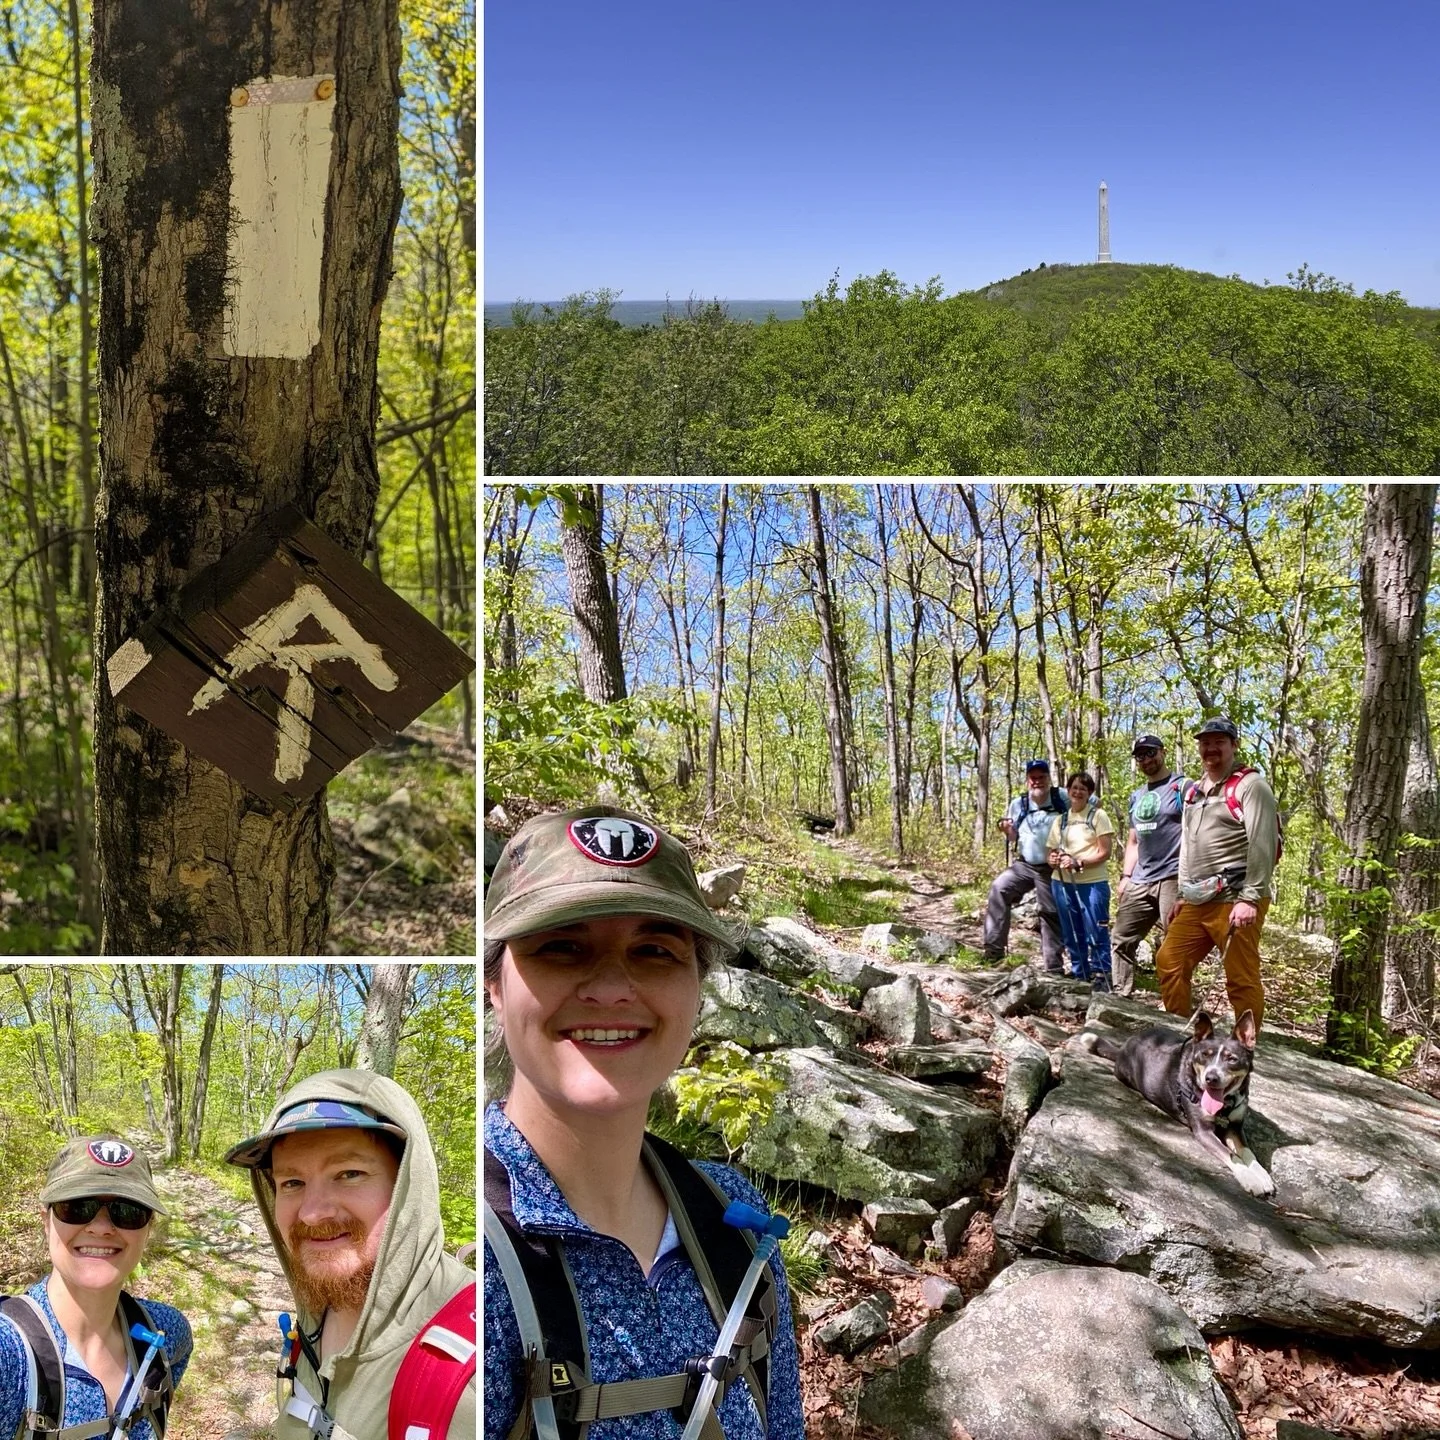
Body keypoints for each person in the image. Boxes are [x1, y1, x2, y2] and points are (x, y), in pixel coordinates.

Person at [482, 804, 804, 1440]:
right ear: (495, 983)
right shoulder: (474, 1260)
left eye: (655, 951)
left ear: (696, 988)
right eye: (563, 947)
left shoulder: (734, 1221)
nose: (610, 988)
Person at [224, 1070, 476, 1440]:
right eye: (292, 1183)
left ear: (407, 1185)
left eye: (349, 1173)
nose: (312, 1213)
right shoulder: (320, 1309)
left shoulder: (475, 1370)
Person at [0, 1136, 193, 1440]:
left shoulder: (165, 1331)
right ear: (46, 1222)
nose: (101, 1227)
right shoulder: (11, 1356)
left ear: (148, 1230)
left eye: (127, 1210)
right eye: (77, 1206)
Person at [1155, 717, 1280, 1030]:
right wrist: (1182, 893)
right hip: (1197, 900)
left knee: (1240, 978)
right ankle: (1180, 1036)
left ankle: (1245, 1050)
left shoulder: (1251, 786)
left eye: (1219, 742)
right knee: (1169, 961)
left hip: (1235, 898)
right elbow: (1187, 847)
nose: (1210, 748)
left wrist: (1250, 898)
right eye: (1205, 742)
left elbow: (1262, 845)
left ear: (1234, 745)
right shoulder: (1194, 792)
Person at [1110, 735, 1192, 997]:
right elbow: (1133, 840)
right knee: (1121, 939)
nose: (1146, 759)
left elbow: (1196, 831)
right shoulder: (1137, 796)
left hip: (1173, 876)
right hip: (1140, 878)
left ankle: (1174, 1004)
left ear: (1163, 752)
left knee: (1173, 942)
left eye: (1150, 753)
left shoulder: (1182, 787)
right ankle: (1121, 996)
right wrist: (1125, 876)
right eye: (1140, 756)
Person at [985, 759, 1070, 973]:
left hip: (1051, 868)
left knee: (1049, 912)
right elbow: (1013, 836)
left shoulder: (1062, 798)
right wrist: (1006, 830)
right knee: (999, 888)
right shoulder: (1018, 804)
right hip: (1024, 865)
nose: (1037, 781)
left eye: (1041, 777)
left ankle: (1054, 968)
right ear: (1027, 780)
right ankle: (993, 953)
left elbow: (1091, 804)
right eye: (1033, 778)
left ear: (1049, 778)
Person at [1045, 772, 1116, 992]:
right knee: (1072, 931)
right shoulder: (1061, 819)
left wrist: (1079, 862)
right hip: (1062, 882)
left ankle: (1102, 975)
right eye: (1074, 788)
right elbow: (1050, 853)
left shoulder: (1097, 816)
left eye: (1083, 789)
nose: (1077, 792)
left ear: (1090, 793)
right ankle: (1080, 974)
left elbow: (1105, 852)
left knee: (1096, 929)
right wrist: (1054, 860)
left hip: (1092, 883)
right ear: (1068, 790)